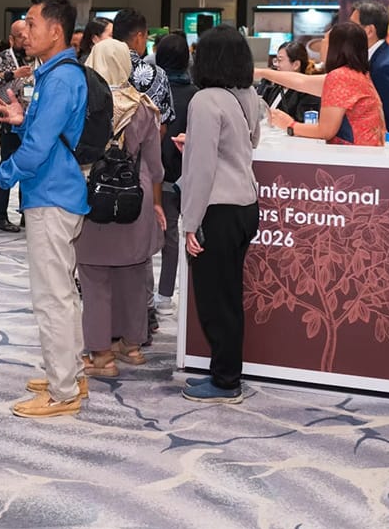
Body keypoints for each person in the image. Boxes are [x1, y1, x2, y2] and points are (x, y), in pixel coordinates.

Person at [0, 0, 89, 419]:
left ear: (55, 31)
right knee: (63, 294)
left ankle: (62, 391)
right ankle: (69, 373)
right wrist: (24, 119)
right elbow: (46, 135)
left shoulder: (58, 77)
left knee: (52, 297)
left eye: (33, 24)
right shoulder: (55, 73)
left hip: (52, 196)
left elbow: (37, 152)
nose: (25, 34)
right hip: (56, 192)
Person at [72, 39, 165, 377]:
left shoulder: (84, 105)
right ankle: (133, 346)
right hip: (134, 199)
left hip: (93, 198)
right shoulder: (145, 107)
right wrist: (157, 204)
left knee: (94, 280)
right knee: (133, 276)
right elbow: (155, 167)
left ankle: (101, 356)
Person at [177, 26, 260, 404]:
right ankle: (225, 374)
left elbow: (203, 168)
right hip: (245, 206)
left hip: (217, 210)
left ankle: (226, 380)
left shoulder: (206, 100)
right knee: (229, 295)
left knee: (215, 299)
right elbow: (248, 144)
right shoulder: (248, 95)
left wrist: (190, 222)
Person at [261, 22, 385, 146]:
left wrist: (289, 124)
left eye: (325, 39)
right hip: (365, 153)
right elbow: (301, 81)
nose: (321, 45)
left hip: (352, 155)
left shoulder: (340, 77)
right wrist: (260, 72)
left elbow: (326, 131)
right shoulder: (356, 75)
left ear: (335, 46)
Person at [153, 32, 197, 317]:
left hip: (162, 177)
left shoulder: (153, 93)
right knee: (193, 236)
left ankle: (161, 295)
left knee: (165, 235)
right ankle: (173, 294)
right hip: (192, 177)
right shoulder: (197, 94)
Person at [0, 19, 33, 233]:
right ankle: (1, 216)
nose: (26, 38)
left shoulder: (37, 55)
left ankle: (26, 213)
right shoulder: (3, 58)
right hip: (10, 122)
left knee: (31, 168)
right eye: (21, 35)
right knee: (8, 166)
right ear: (12, 39)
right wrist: (13, 74)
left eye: (28, 33)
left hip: (33, 121)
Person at [350, 0, 389, 144]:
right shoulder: (376, 57)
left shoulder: (384, 66)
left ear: (369, 31)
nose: (348, 31)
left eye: (353, 26)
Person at [112, 8, 174, 126]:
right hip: (144, 143)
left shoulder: (95, 69)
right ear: (139, 37)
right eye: (146, 38)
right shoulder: (157, 75)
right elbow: (162, 123)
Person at [257, 41, 319, 124]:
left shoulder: (309, 94)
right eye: (276, 60)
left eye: (280, 60)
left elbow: (304, 124)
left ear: (296, 65)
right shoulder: (275, 89)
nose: (277, 65)